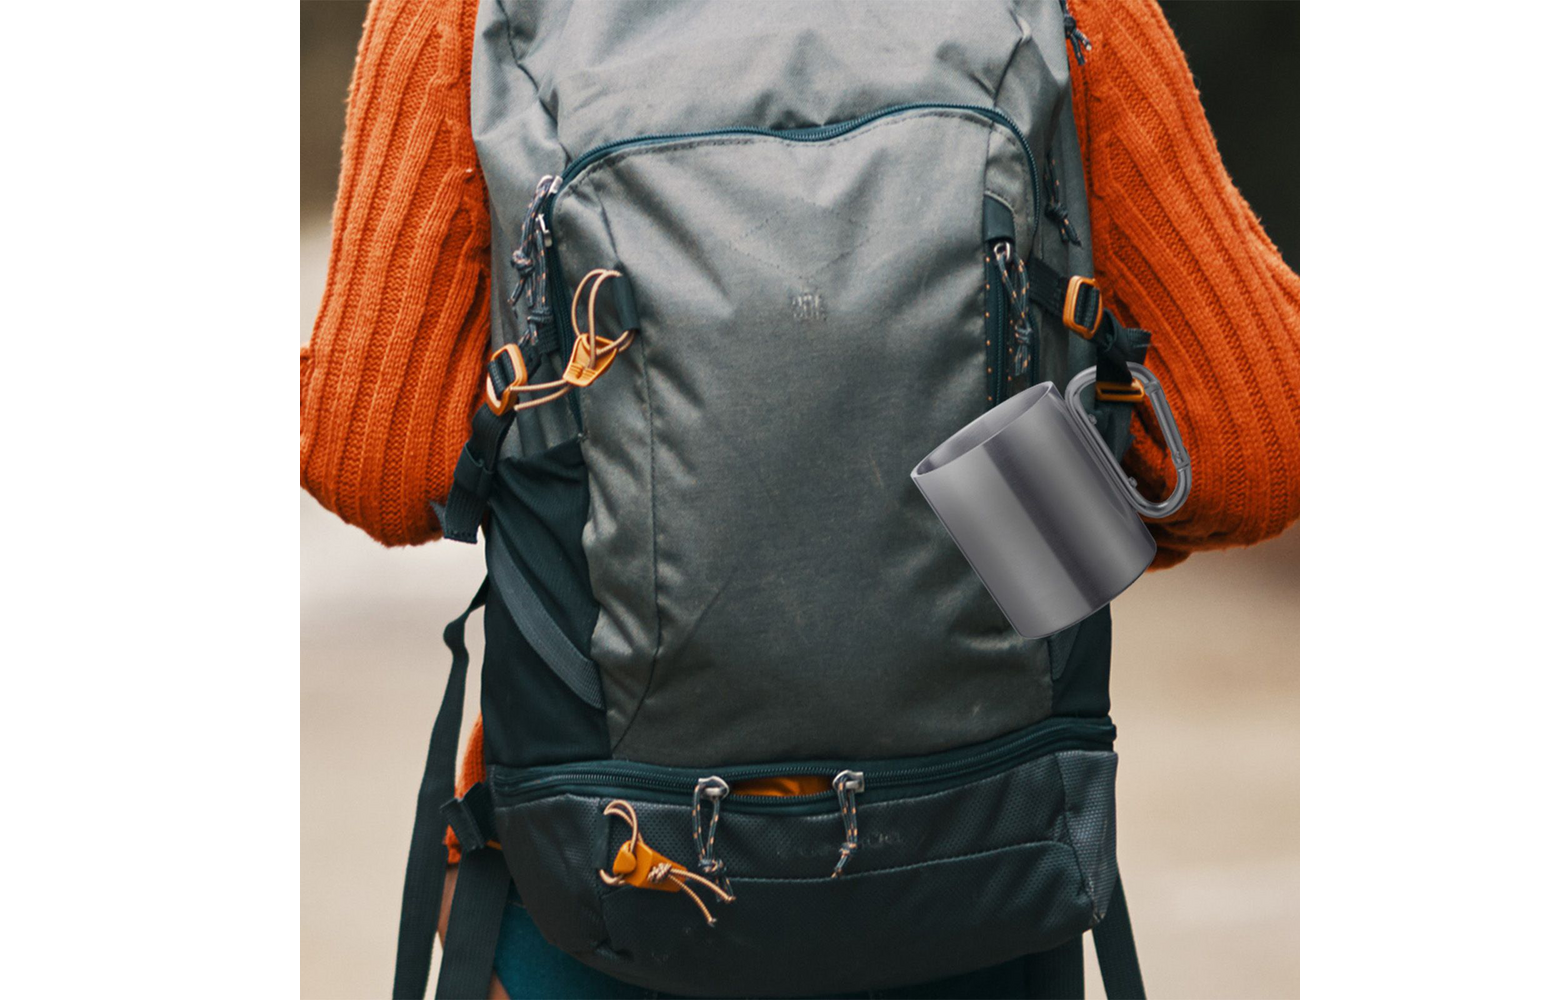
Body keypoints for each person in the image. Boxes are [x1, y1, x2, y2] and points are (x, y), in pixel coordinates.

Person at [300, 0, 1300, 995]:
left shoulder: (458, 15)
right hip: (983, 853)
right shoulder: (1066, 11)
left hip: (613, 857)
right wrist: (1030, 512)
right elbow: (1255, 443)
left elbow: (375, 463)